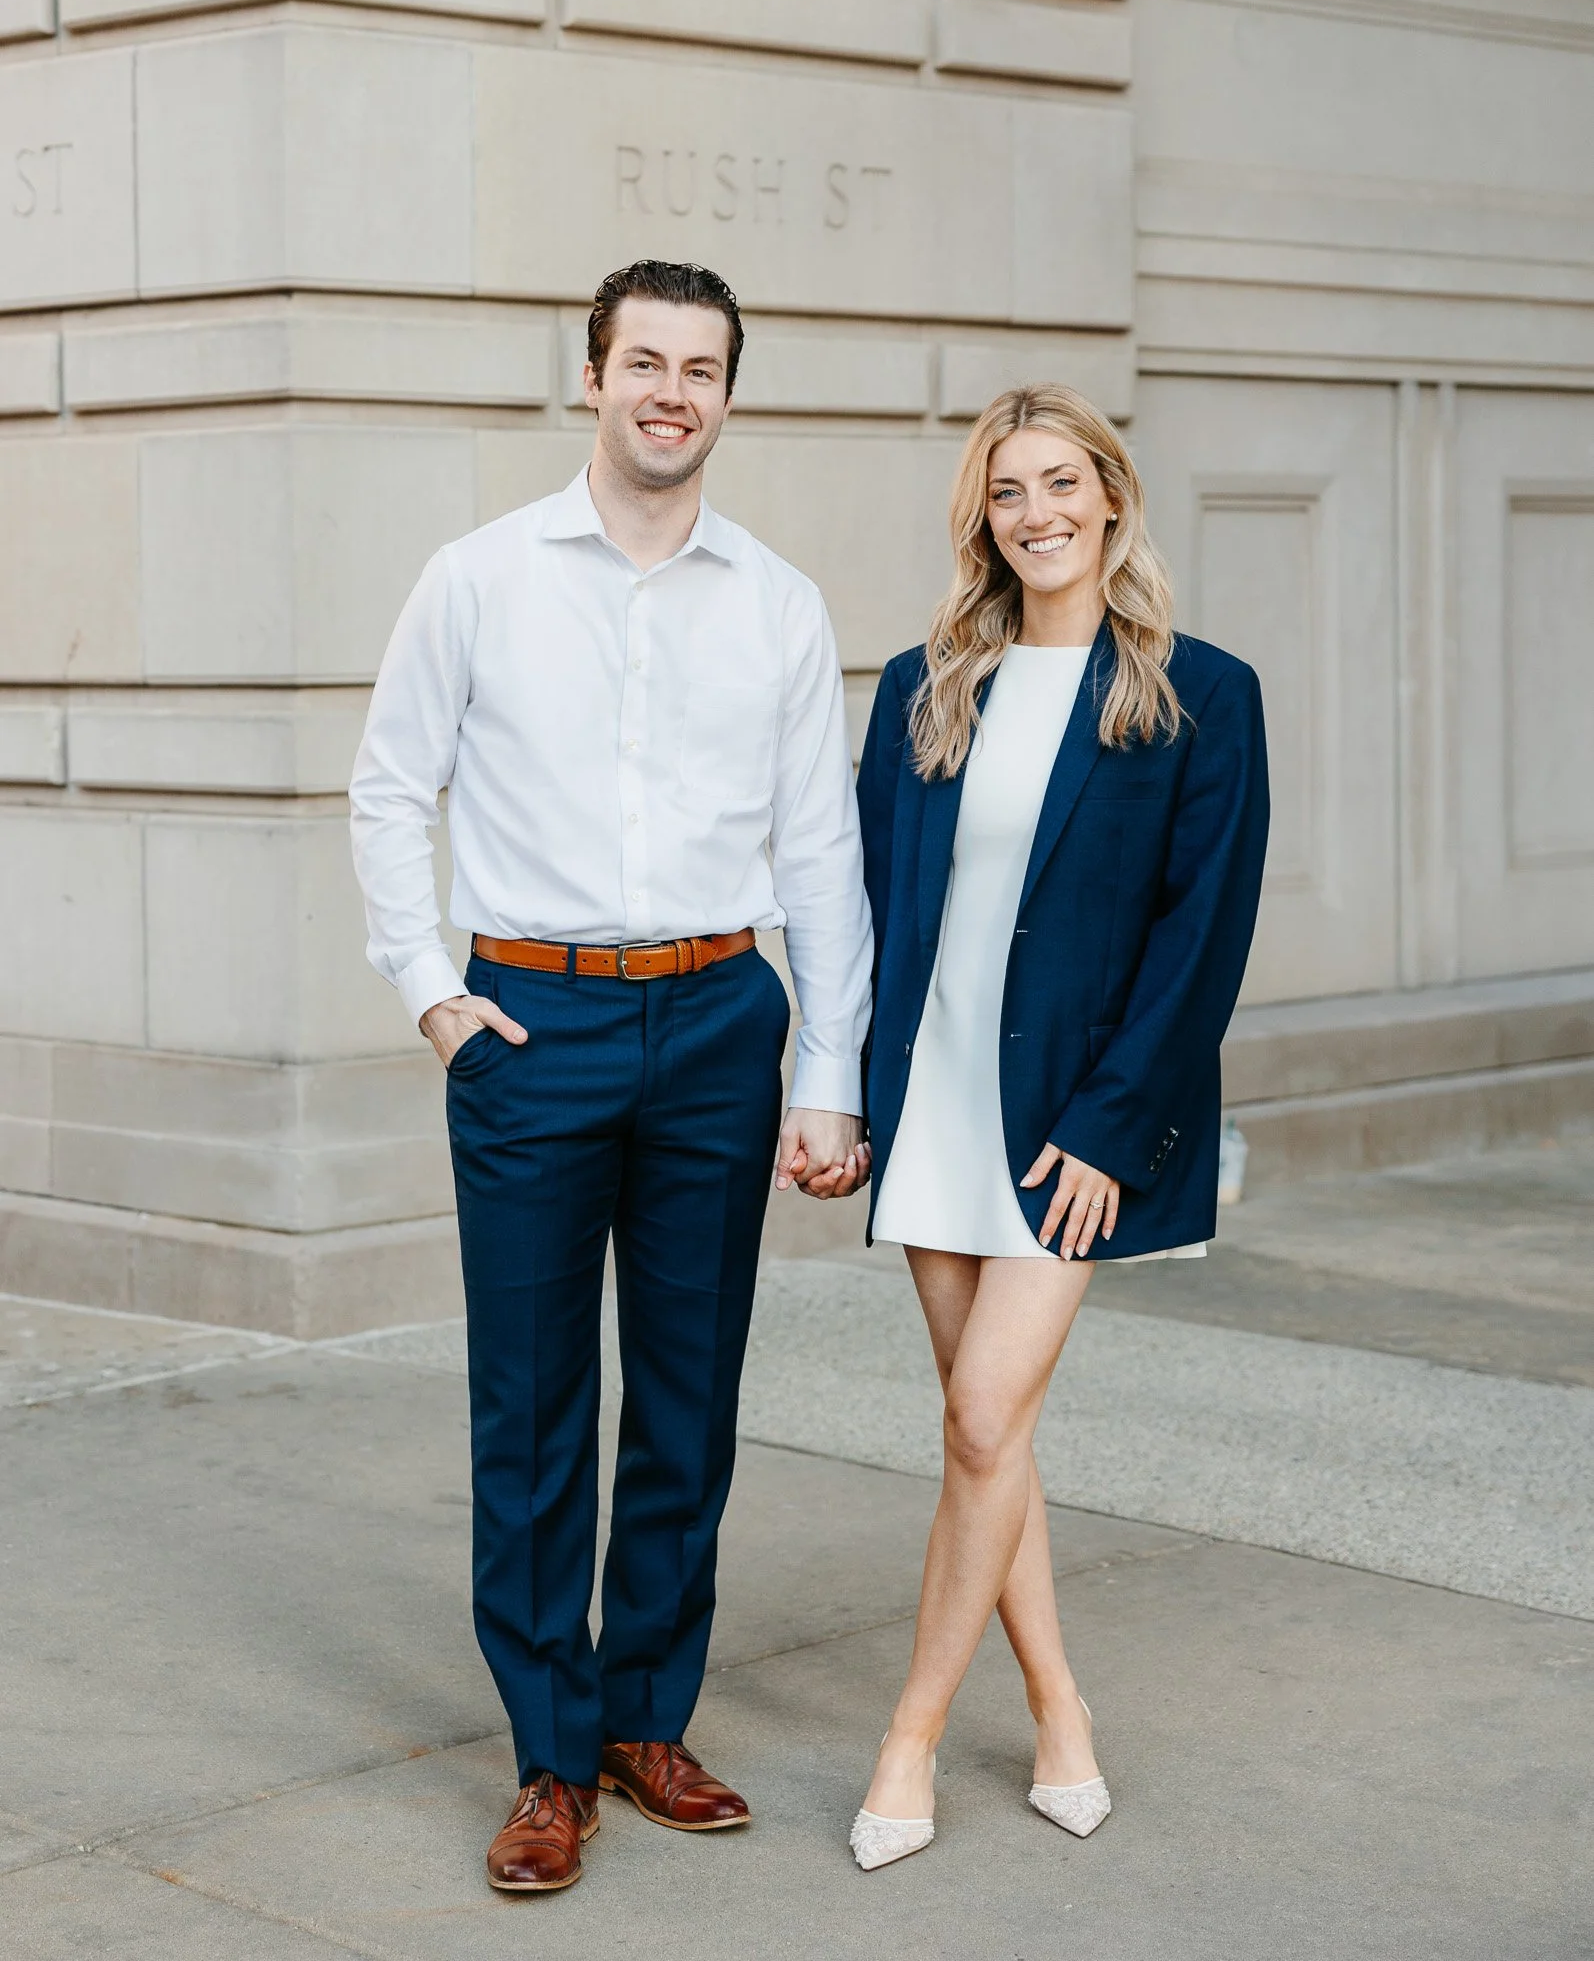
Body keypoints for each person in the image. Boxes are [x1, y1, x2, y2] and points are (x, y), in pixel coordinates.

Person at [349, 259, 872, 1895]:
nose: (670, 392)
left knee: (689, 1394)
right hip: (532, 1026)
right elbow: (386, 789)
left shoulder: (776, 601)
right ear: (592, 377)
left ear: (727, 393)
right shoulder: (481, 578)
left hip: (720, 1021)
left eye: (699, 368)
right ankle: (547, 1754)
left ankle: (649, 1714)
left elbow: (820, 851)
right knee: (532, 1407)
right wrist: (435, 996)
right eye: (642, 361)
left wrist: (828, 1071)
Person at [849, 384, 1269, 1870]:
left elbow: (1199, 938)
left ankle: (906, 1736)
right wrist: (841, 1090)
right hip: (934, 1101)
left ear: (1109, 496)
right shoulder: (923, 682)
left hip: (1062, 1127)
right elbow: (873, 912)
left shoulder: (1198, 693)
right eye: (1005, 492)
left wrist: (1109, 1128)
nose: (1036, 514)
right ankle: (1058, 1706)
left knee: (976, 1416)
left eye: (1058, 484)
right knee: (993, 1435)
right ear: (983, 520)